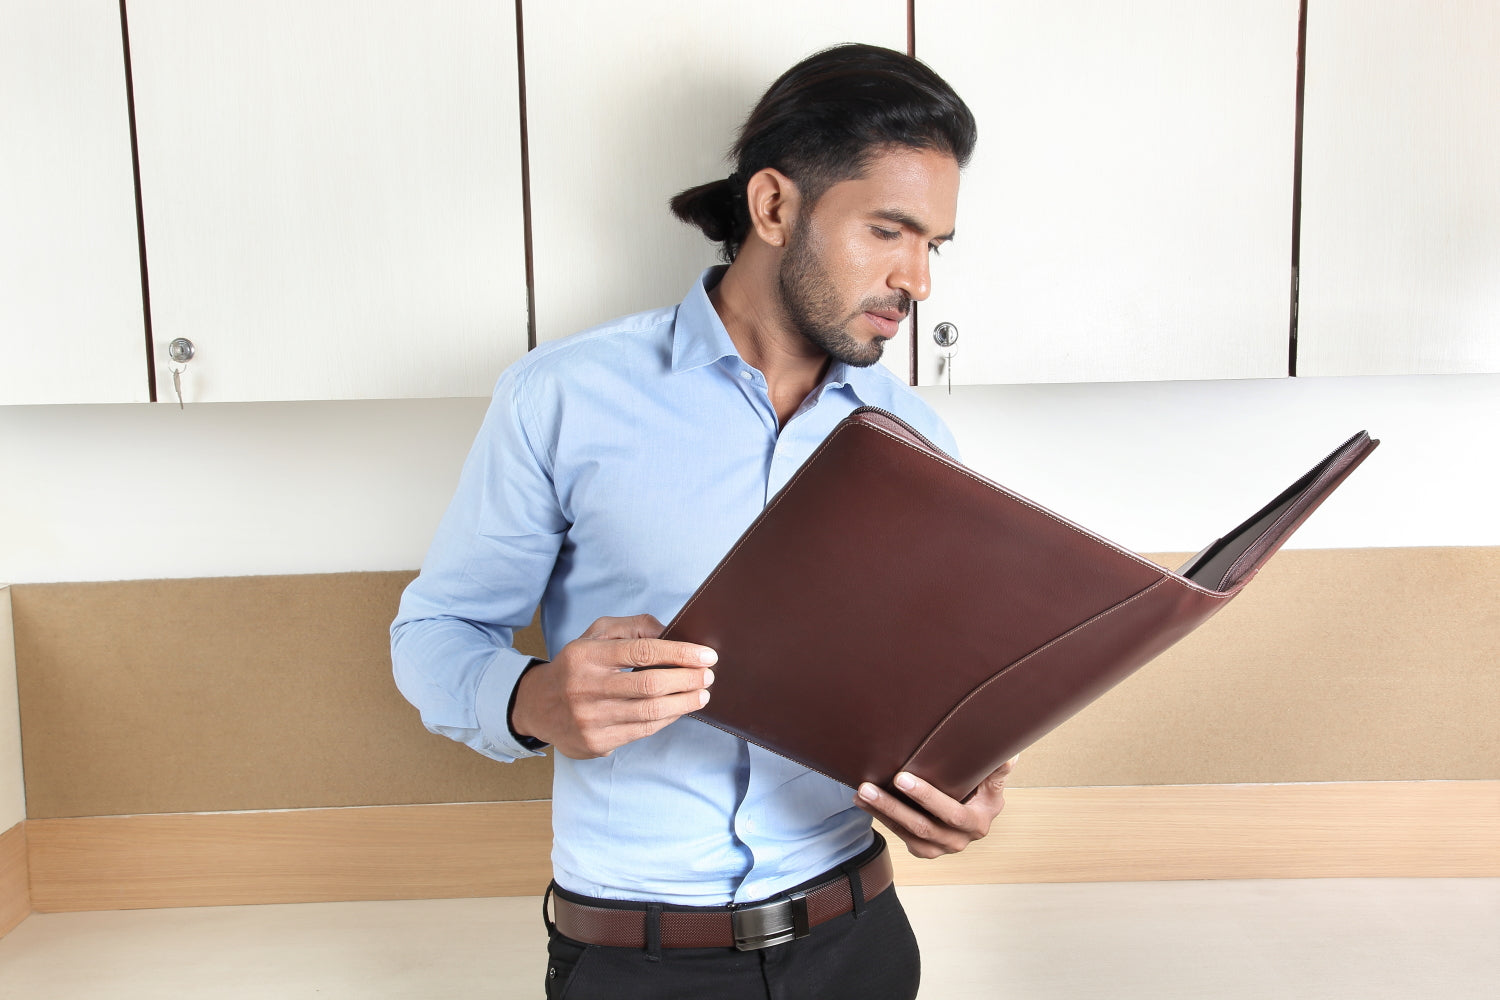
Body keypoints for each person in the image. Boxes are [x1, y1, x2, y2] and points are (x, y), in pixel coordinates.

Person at [391, 42, 1015, 1000]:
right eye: (889, 231)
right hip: (634, 960)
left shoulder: (915, 439)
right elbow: (436, 633)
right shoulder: (561, 397)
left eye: (934, 245)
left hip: (859, 941)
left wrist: (962, 789)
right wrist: (532, 699)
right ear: (773, 207)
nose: (918, 281)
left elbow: (931, 690)